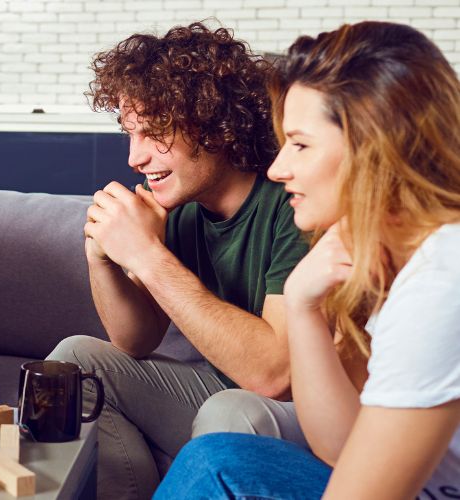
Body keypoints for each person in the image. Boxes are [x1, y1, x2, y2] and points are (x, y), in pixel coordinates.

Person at [157, 21, 460, 499]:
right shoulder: (393, 265)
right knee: (218, 460)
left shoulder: (442, 284)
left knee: (215, 463)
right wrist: (301, 306)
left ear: (374, 148)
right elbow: (340, 448)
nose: (278, 169)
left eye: (299, 143)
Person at [46, 22, 310, 498]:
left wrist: (147, 256)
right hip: (226, 393)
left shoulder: (295, 201)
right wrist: (102, 256)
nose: (134, 157)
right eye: (130, 134)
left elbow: (274, 375)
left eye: (152, 133)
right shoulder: (183, 208)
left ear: (215, 123)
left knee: (229, 412)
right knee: (74, 359)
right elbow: (136, 340)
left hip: (303, 412)